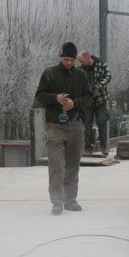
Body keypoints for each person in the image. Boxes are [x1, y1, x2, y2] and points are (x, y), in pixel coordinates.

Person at [34, 41, 92, 215]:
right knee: (56, 165)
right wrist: (55, 98)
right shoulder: (49, 74)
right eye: (66, 59)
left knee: (73, 164)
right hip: (55, 126)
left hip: (75, 124)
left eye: (72, 60)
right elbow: (39, 97)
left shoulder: (82, 76)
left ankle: (70, 199)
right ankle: (57, 201)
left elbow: (89, 98)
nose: (69, 63)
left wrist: (75, 103)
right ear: (61, 57)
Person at [77, 50, 112, 156]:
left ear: (88, 58)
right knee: (87, 123)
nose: (81, 64)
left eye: (82, 61)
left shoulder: (101, 64)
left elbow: (108, 76)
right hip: (87, 100)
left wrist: (99, 86)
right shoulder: (80, 69)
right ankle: (88, 147)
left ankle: (104, 146)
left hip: (101, 99)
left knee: (102, 121)